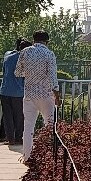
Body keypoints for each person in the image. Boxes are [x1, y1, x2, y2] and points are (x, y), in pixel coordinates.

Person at [16, 30, 61, 162]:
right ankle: (49, 155)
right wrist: (57, 94)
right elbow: (53, 76)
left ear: (33, 39)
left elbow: (18, 72)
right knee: (50, 124)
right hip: (46, 94)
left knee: (28, 125)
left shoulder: (25, 52)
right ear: (47, 41)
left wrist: (30, 74)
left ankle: (27, 156)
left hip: (29, 93)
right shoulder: (49, 53)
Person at [0, 38, 31, 146]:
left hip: (5, 90)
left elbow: (4, 73)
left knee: (7, 116)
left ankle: (10, 138)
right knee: (19, 116)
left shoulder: (7, 58)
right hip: (18, 92)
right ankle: (18, 138)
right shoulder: (26, 60)